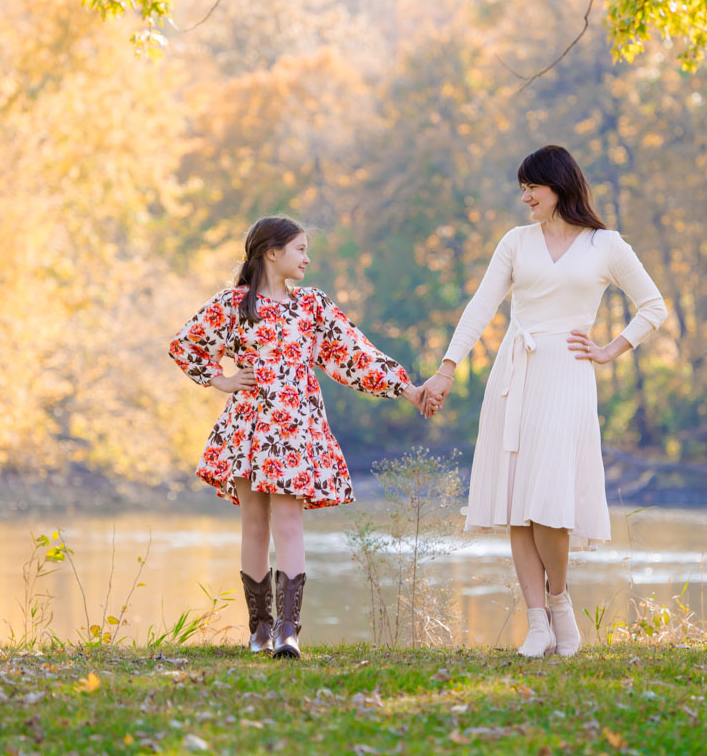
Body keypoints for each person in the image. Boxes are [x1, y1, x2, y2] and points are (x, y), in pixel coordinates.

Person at [419, 145, 667, 658]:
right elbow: (482, 305)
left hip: (569, 373)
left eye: (532, 187)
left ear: (560, 185)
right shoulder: (516, 242)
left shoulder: (606, 244)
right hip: (517, 372)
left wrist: (609, 350)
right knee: (518, 501)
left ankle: (559, 602)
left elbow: (653, 306)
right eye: (522, 189)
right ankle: (536, 622)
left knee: (551, 504)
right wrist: (447, 368)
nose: (525, 198)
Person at [169, 216, 425, 658]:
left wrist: (408, 388)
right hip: (249, 427)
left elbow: (354, 354)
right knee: (253, 524)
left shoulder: (312, 306)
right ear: (272, 252)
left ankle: (289, 631)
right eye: (300, 249)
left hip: (295, 429)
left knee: (289, 522)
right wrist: (221, 379)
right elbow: (185, 345)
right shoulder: (232, 305)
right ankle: (259, 630)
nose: (307, 258)